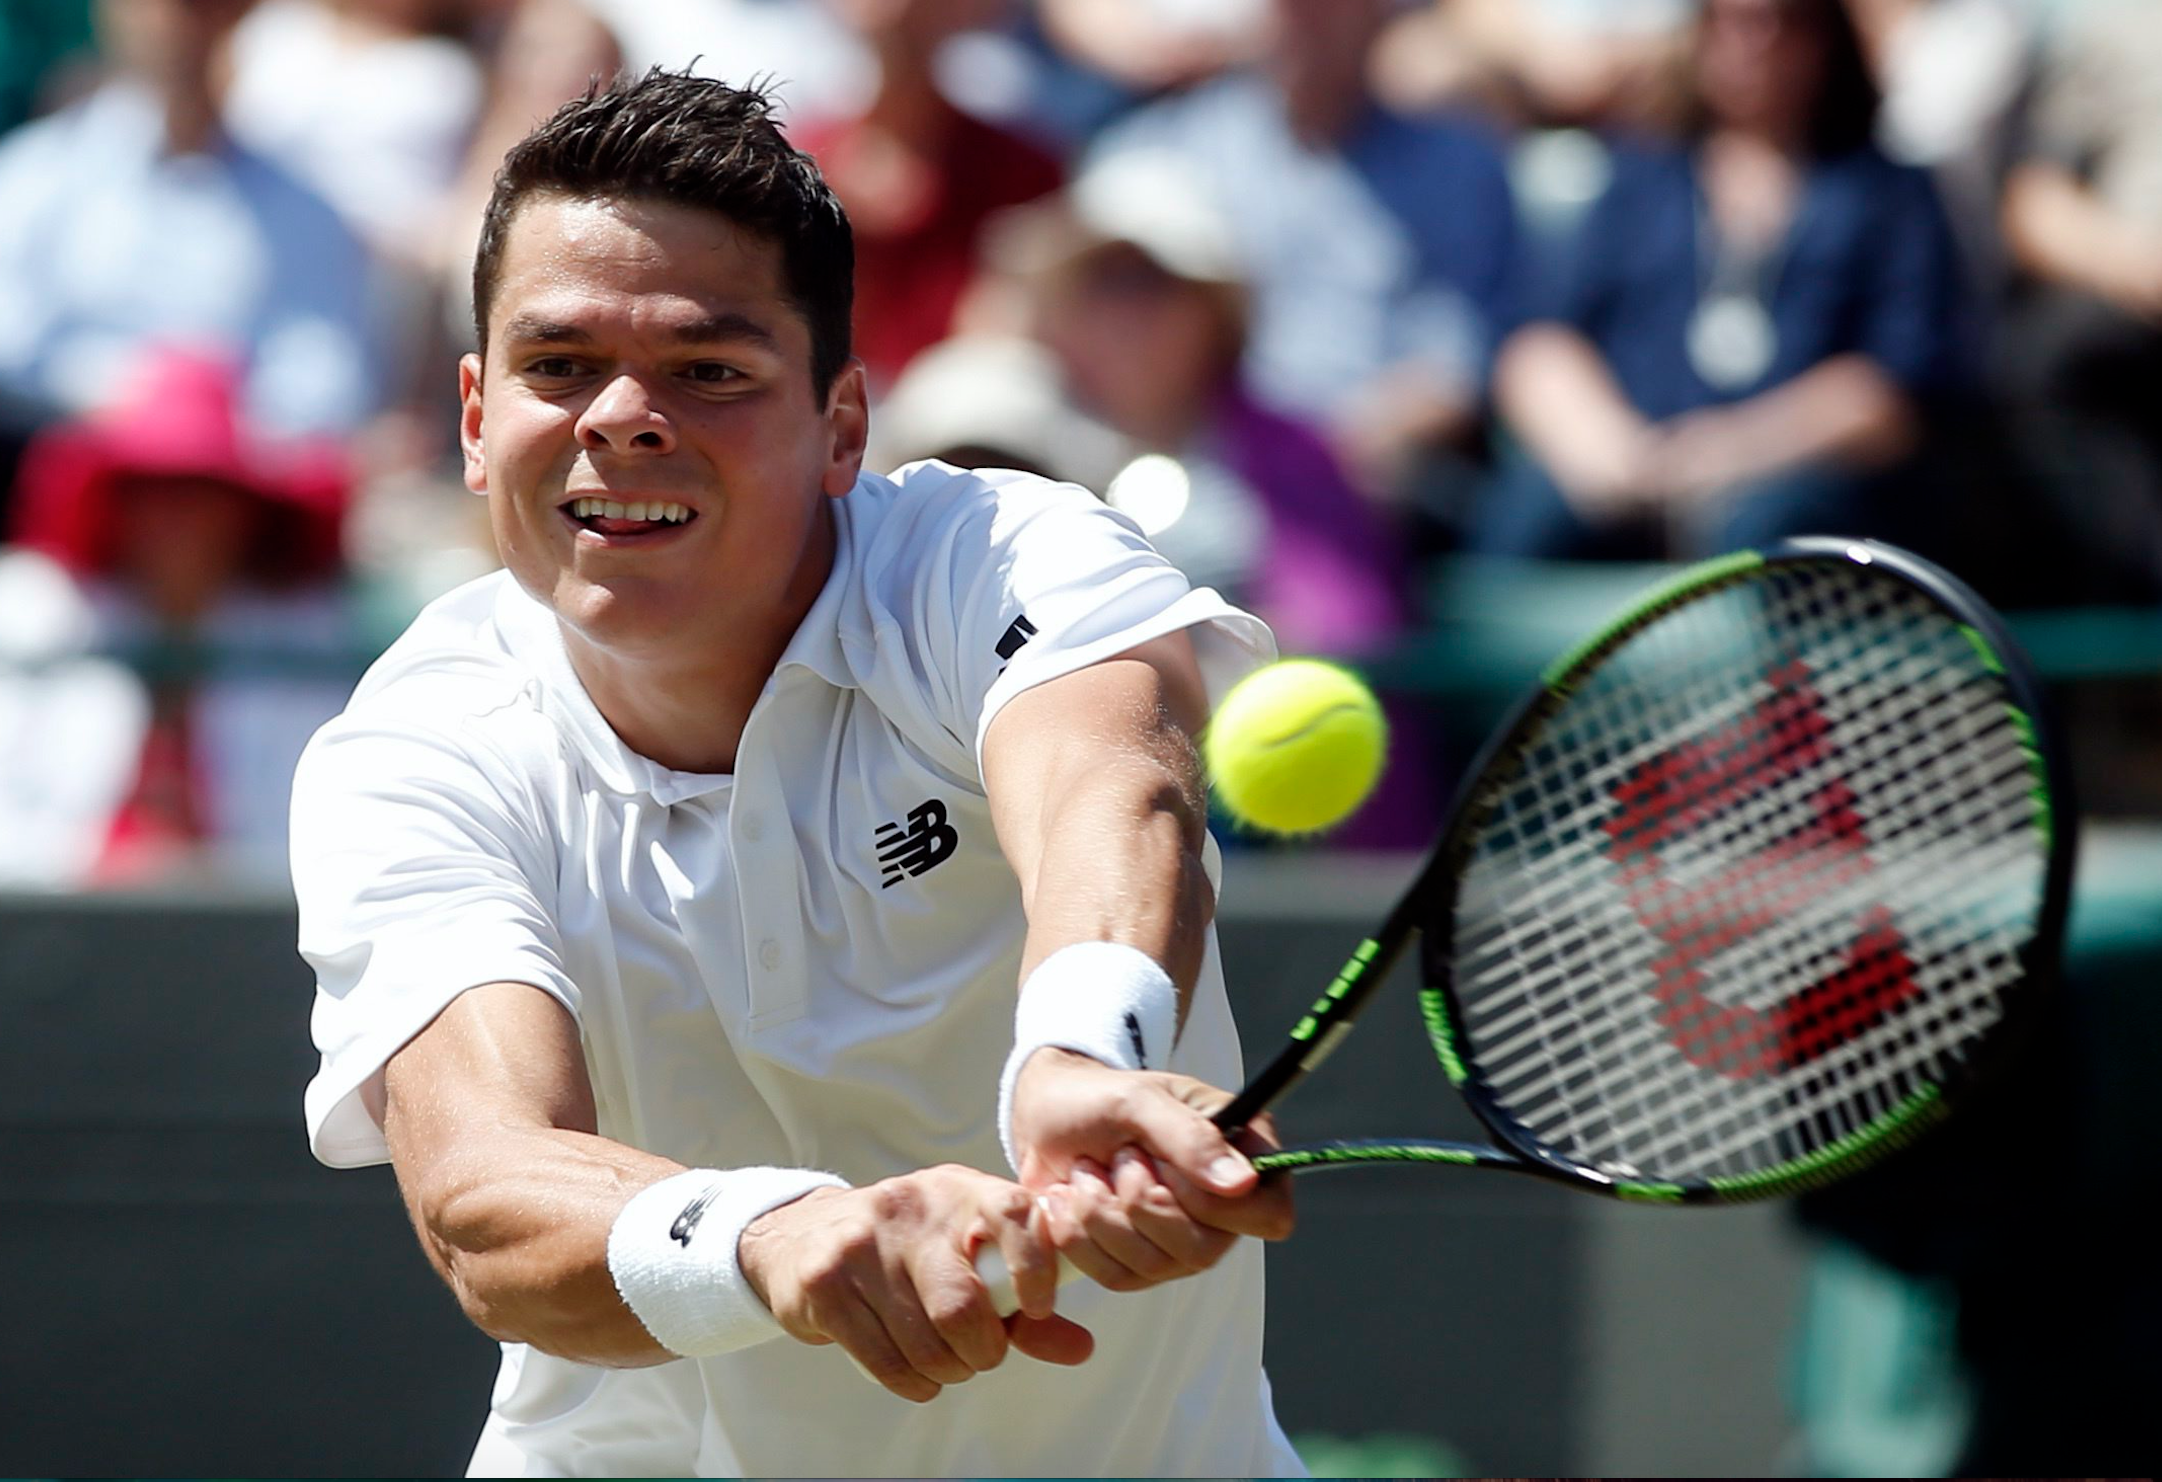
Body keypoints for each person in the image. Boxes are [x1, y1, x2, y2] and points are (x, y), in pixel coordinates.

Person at [289, 70, 1301, 1476]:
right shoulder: (410, 748)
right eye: (558, 364)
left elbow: (1109, 786)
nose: (622, 416)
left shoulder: (995, 557)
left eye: (708, 369)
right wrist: (778, 1233)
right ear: (473, 417)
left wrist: (1083, 1053)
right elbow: (485, 1190)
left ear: (841, 428)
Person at [1469, 0, 1974, 560]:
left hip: (1796, 485)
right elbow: (1539, 344)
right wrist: (1616, 455)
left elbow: (1891, 399)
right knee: (1528, 515)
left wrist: (1719, 457)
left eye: (1783, 23)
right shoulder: (1641, 179)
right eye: (1732, 22)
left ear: (1828, 40)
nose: (1754, 44)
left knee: (1762, 535)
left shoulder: (1886, 194)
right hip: (1630, 467)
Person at [3, 346, 357, 885]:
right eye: (148, 488)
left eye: (203, 491)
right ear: (116, 502)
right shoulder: (32, 610)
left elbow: (317, 839)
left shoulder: (306, 632)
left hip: (246, 940)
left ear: (246, 510)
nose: (176, 518)